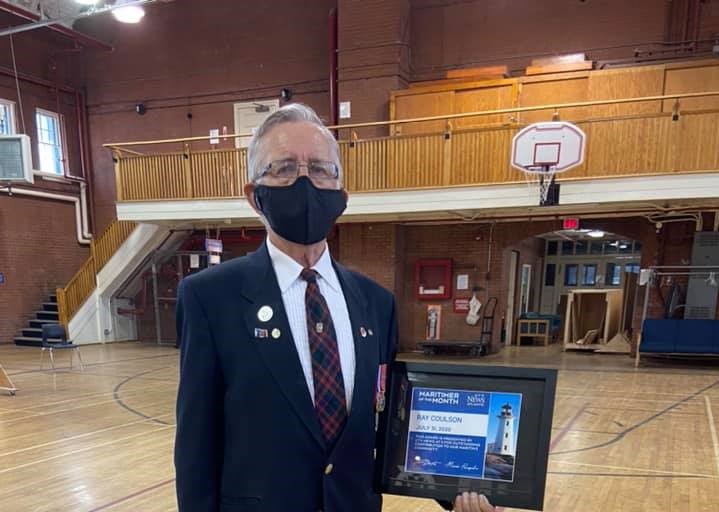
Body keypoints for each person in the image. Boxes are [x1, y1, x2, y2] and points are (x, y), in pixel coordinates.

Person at [174, 103, 493, 512]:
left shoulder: (376, 303)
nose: (304, 181)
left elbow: (389, 423)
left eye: (321, 169)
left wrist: (458, 489)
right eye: (284, 168)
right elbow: (196, 444)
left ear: (341, 196)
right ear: (254, 196)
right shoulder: (209, 297)